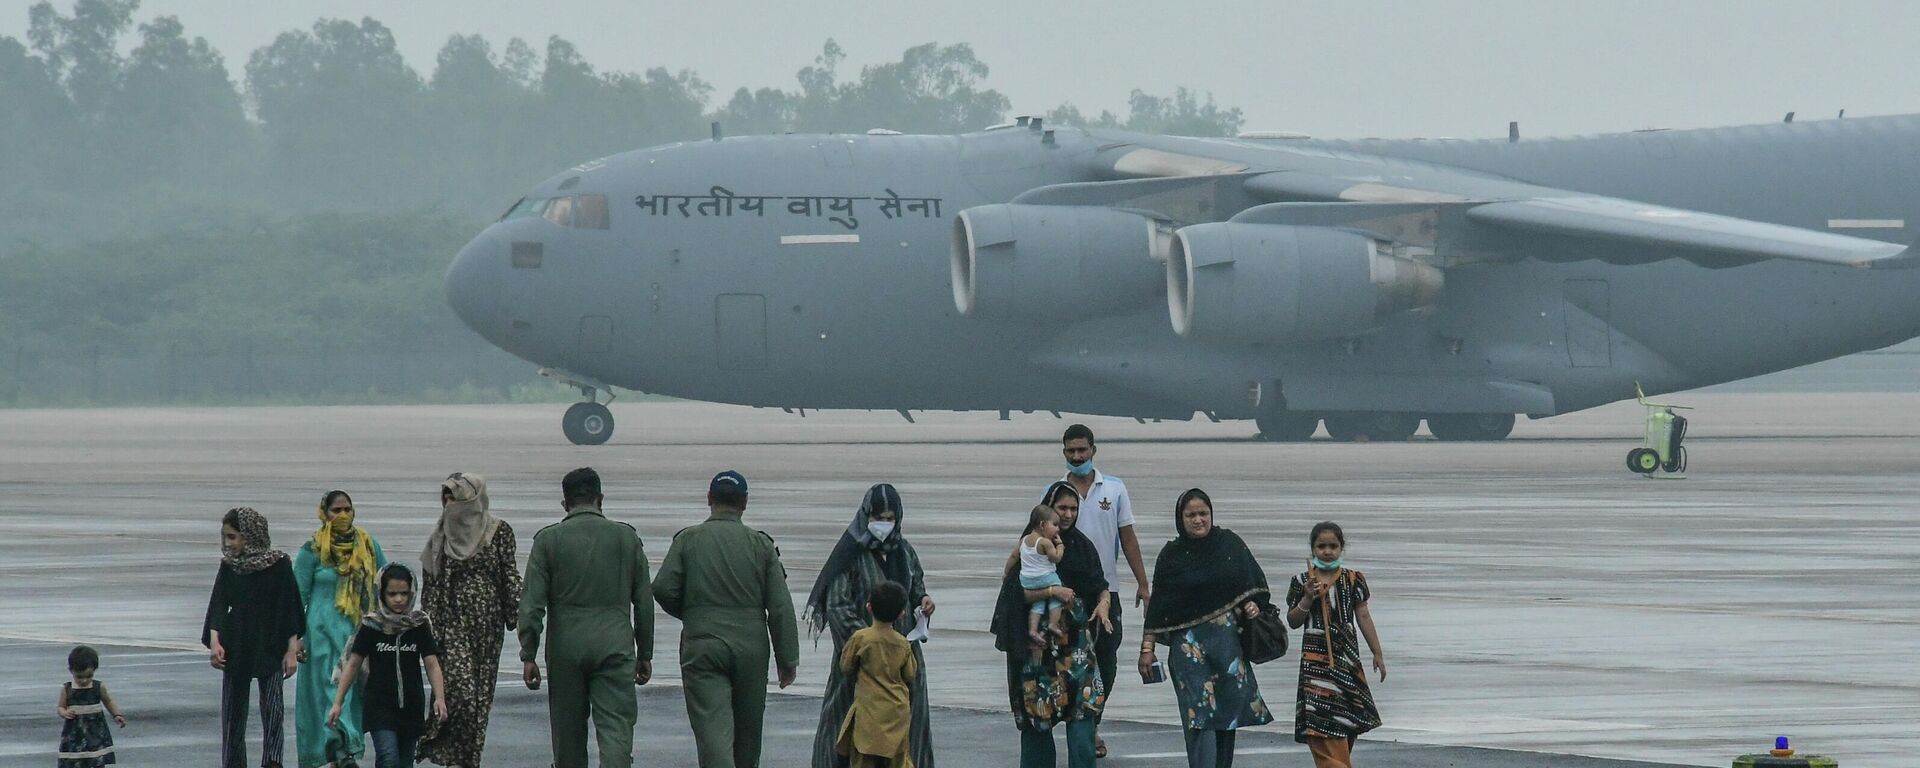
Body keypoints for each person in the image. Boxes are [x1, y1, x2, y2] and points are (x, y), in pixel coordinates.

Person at [654, 470, 800, 768]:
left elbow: (662, 588)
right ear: (744, 503)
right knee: (748, 734)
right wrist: (787, 659)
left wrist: (695, 614)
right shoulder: (761, 546)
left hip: (703, 644)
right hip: (751, 649)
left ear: (709, 499)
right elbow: (780, 607)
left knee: (713, 732)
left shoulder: (687, 541)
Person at [519, 467, 655, 768]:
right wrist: (645, 652)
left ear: (565, 503)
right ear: (600, 499)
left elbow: (531, 605)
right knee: (616, 729)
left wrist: (528, 653)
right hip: (615, 644)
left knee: (568, 736)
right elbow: (644, 603)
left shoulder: (547, 541)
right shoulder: (626, 538)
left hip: (566, 647)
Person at [1139, 489, 1275, 768]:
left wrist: (1251, 606)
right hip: (1189, 651)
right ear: (1180, 518)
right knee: (1199, 716)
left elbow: (1251, 587)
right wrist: (1147, 649)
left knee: (1228, 715)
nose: (1198, 520)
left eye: (1203, 514)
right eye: (1191, 515)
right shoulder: (1171, 556)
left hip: (1227, 647)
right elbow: (1159, 608)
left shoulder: (1229, 545)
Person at [805, 484, 935, 768]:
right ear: (866, 515)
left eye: (890, 519)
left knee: (910, 731)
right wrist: (870, 643)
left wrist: (923, 602)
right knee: (845, 728)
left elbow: (916, 588)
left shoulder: (905, 551)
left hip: (904, 659)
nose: (885, 525)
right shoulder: (851, 554)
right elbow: (837, 605)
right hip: (859, 663)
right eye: (879, 517)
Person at [989, 483, 1111, 768]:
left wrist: (1104, 603)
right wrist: (1052, 593)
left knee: (1082, 718)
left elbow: (1100, 586)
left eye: (1073, 509)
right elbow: (1017, 594)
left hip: (1077, 653)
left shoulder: (1081, 547)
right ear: (1045, 517)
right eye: (1062, 509)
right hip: (1037, 649)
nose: (1067, 515)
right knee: (1037, 721)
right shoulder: (1029, 547)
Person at [1055, 424, 1148, 758]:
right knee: (1070, 662)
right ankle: (1076, 724)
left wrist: (1143, 582)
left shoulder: (1115, 489)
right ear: (1064, 452)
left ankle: (1092, 721)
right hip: (1067, 594)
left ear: (1093, 449)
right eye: (1071, 451)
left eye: (1082, 450)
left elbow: (1128, 537)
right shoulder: (1056, 493)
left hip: (1107, 590)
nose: (1077, 456)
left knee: (1106, 663)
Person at [417, 472, 521, 768]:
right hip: (451, 624)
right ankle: (451, 753)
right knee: (459, 693)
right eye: (445, 497)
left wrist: (522, 616)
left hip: (486, 628)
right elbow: (431, 584)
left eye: (455, 496)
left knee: (479, 697)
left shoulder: (499, 531)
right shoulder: (440, 535)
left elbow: (508, 575)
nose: (449, 503)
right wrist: (427, 633)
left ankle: (465, 760)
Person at [203, 507, 305, 768]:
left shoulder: (279, 565)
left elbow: (290, 610)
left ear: (250, 535)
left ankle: (272, 761)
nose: (228, 543)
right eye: (225, 537)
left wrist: (291, 650)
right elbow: (218, 605)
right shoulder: (229, 566)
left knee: (273, 711)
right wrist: (215, 643)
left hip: (270, 644)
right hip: (236, 644)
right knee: (232, 716)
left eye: (233, 537)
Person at [294, 489, 387, 768]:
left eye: (348, 509)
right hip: (320, 634)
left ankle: (342, 752)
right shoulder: (312, 549)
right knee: (328, 690)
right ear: (325, 513)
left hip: (357, 632)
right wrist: (296, 638)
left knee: (351, 694)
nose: (343, 515)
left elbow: (384, 584)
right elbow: (297, 595)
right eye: (336, 510)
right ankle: (340, 749)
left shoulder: (369, 545)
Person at [1285, 521, 1385, 768]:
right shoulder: (1302, 581)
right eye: (1321, 546)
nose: (1327, 551)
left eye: (1333, 546)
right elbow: (1293, 620)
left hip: (1346, 662)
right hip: (1315, 667)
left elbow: (1363, 616)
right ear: (1312, 549)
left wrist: (1377, 652)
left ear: (1341, 548)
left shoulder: (1352, 580)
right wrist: (1308, 598)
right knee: (1322, 724)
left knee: (1346, 723)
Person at [328, 562, 447, 768]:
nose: (399, 599)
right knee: (388, 757)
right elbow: (353, 664)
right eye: (392, 594)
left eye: (404, 593)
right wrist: (338, 702)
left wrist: (440, 698)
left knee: (404, 762)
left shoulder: (418, 626)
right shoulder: (371, 626)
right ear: (381, 593)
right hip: (379, 706)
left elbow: (432, 664)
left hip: (411, 706)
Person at [834, 580, 918, 768]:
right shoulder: (903, 643)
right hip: (896, 711)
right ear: (901, 613)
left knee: (863, 756)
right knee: (899, 758)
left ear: (869, 607)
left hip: (869, 710)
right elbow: (911, 674)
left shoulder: (861, 638)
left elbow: (846, 667)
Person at [57, 645, 125, 768]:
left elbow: (108, 701)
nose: (84, 680)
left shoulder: (98, 687)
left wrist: (116, 714)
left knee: (97, 759)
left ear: (95, 670)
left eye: (89, 676)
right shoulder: (67, 689)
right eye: (79, 677)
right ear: (70, 670)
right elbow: (61, 707)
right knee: (75, 761)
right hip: (75, 732)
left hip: (95, 731)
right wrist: (64, 713)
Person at [1019, 505, 1067, 656]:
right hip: (1045, 578)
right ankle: (1053, 623)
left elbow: (1014, 556)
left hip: (1027, 580)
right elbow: (1055, 558)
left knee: (1038, 603)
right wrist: (1060, 546)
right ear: (1042, 525)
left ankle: (1033, 630)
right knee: (1057, 595)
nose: (1057, 529)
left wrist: (1006, 572)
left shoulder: (1024, 540)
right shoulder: (1045, 542)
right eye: (1054, 525)